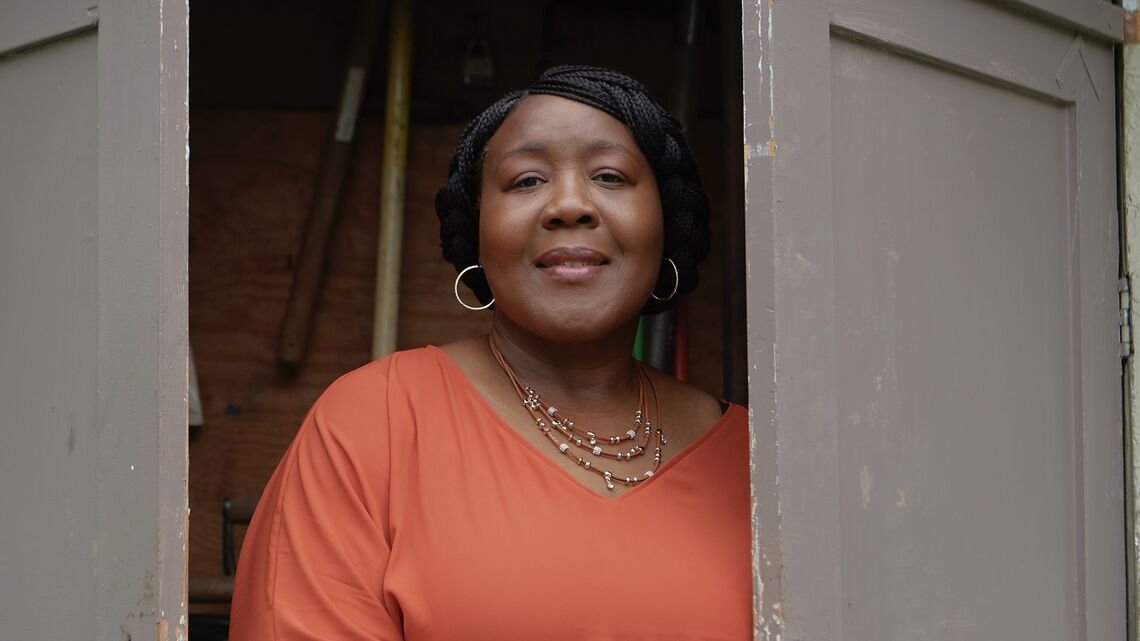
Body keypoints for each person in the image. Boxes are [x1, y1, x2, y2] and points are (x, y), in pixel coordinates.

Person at [229, 65, 751, 640]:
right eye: (526, 181)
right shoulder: (374, 422)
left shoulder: (757, 461)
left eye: (610, 175)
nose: (569, 205)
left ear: (666, 224)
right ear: (477, 231)